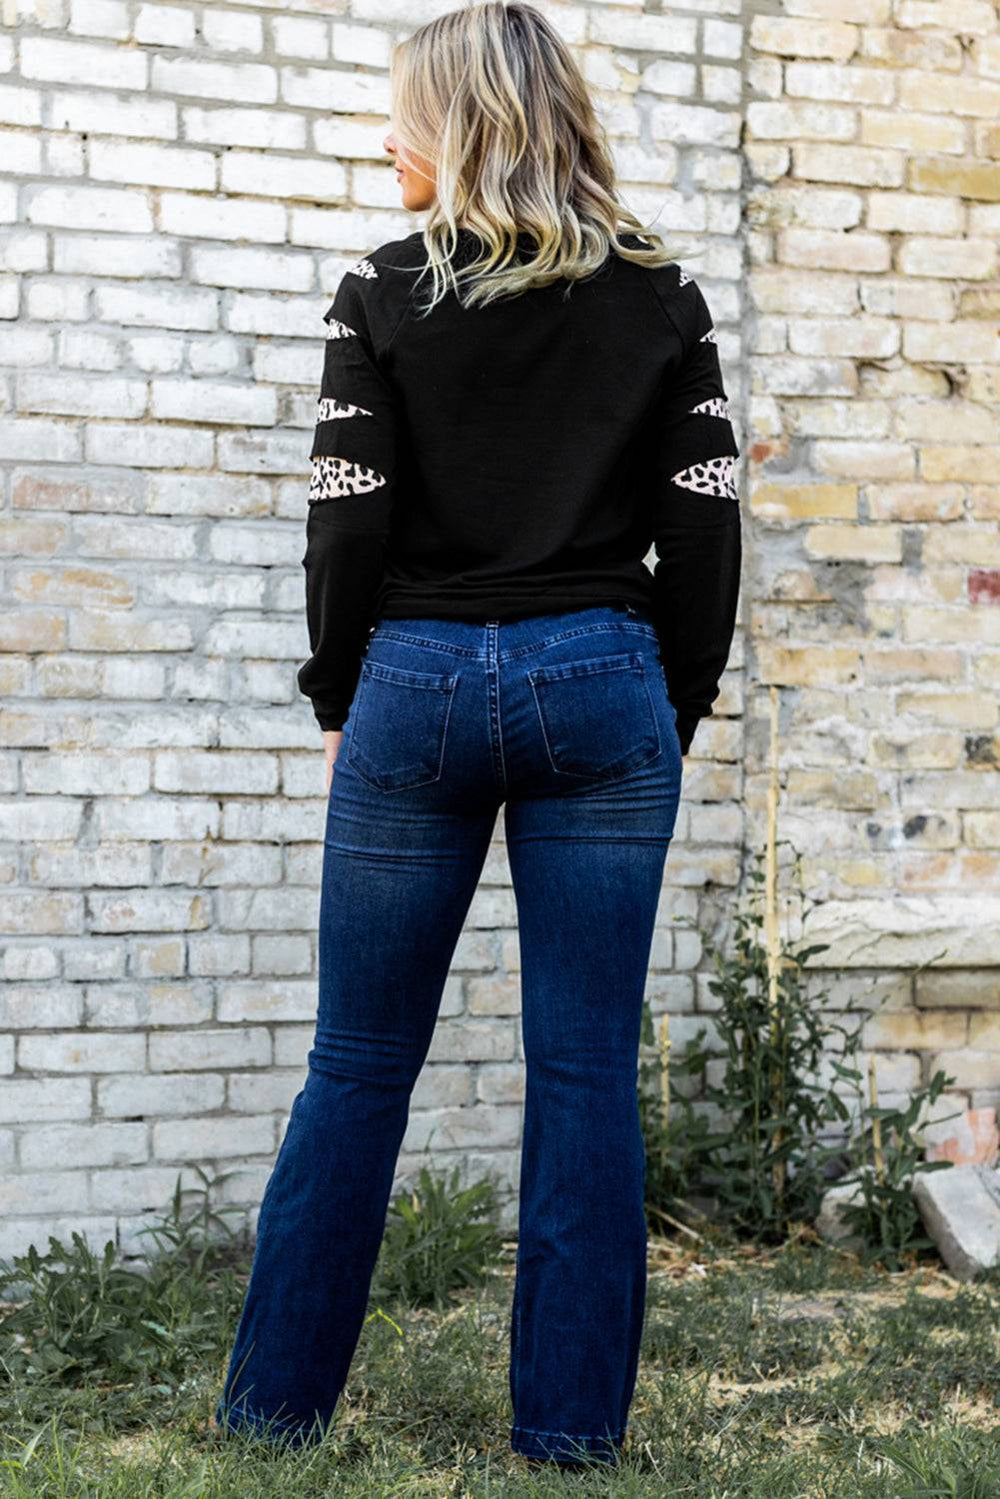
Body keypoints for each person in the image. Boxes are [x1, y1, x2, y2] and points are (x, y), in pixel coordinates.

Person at [214, 0, 741, 1470]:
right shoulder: (661, 297)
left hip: (418, 686)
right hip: (603, 684)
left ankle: (270, 1420)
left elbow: (347, 526)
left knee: (357, 1063)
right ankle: (567, 1437)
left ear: (464, 127)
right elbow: (708, 527)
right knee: (583, 1073)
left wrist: (340, 695)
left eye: (405, 113)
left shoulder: (377, 294)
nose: (387, 138)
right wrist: (672, 706)